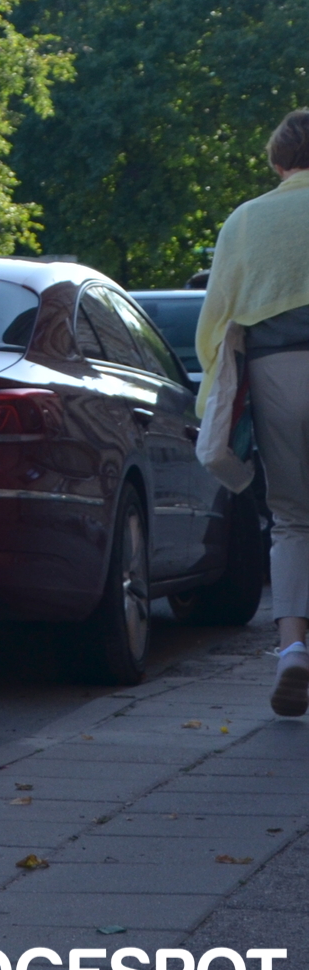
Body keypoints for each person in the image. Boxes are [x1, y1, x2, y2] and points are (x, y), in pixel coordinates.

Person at [195, 109, 309, 716]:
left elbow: (215, 322)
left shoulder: (247, 220)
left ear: (279, 160)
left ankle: (292, 650)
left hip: (274, 373)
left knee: (292, 518)